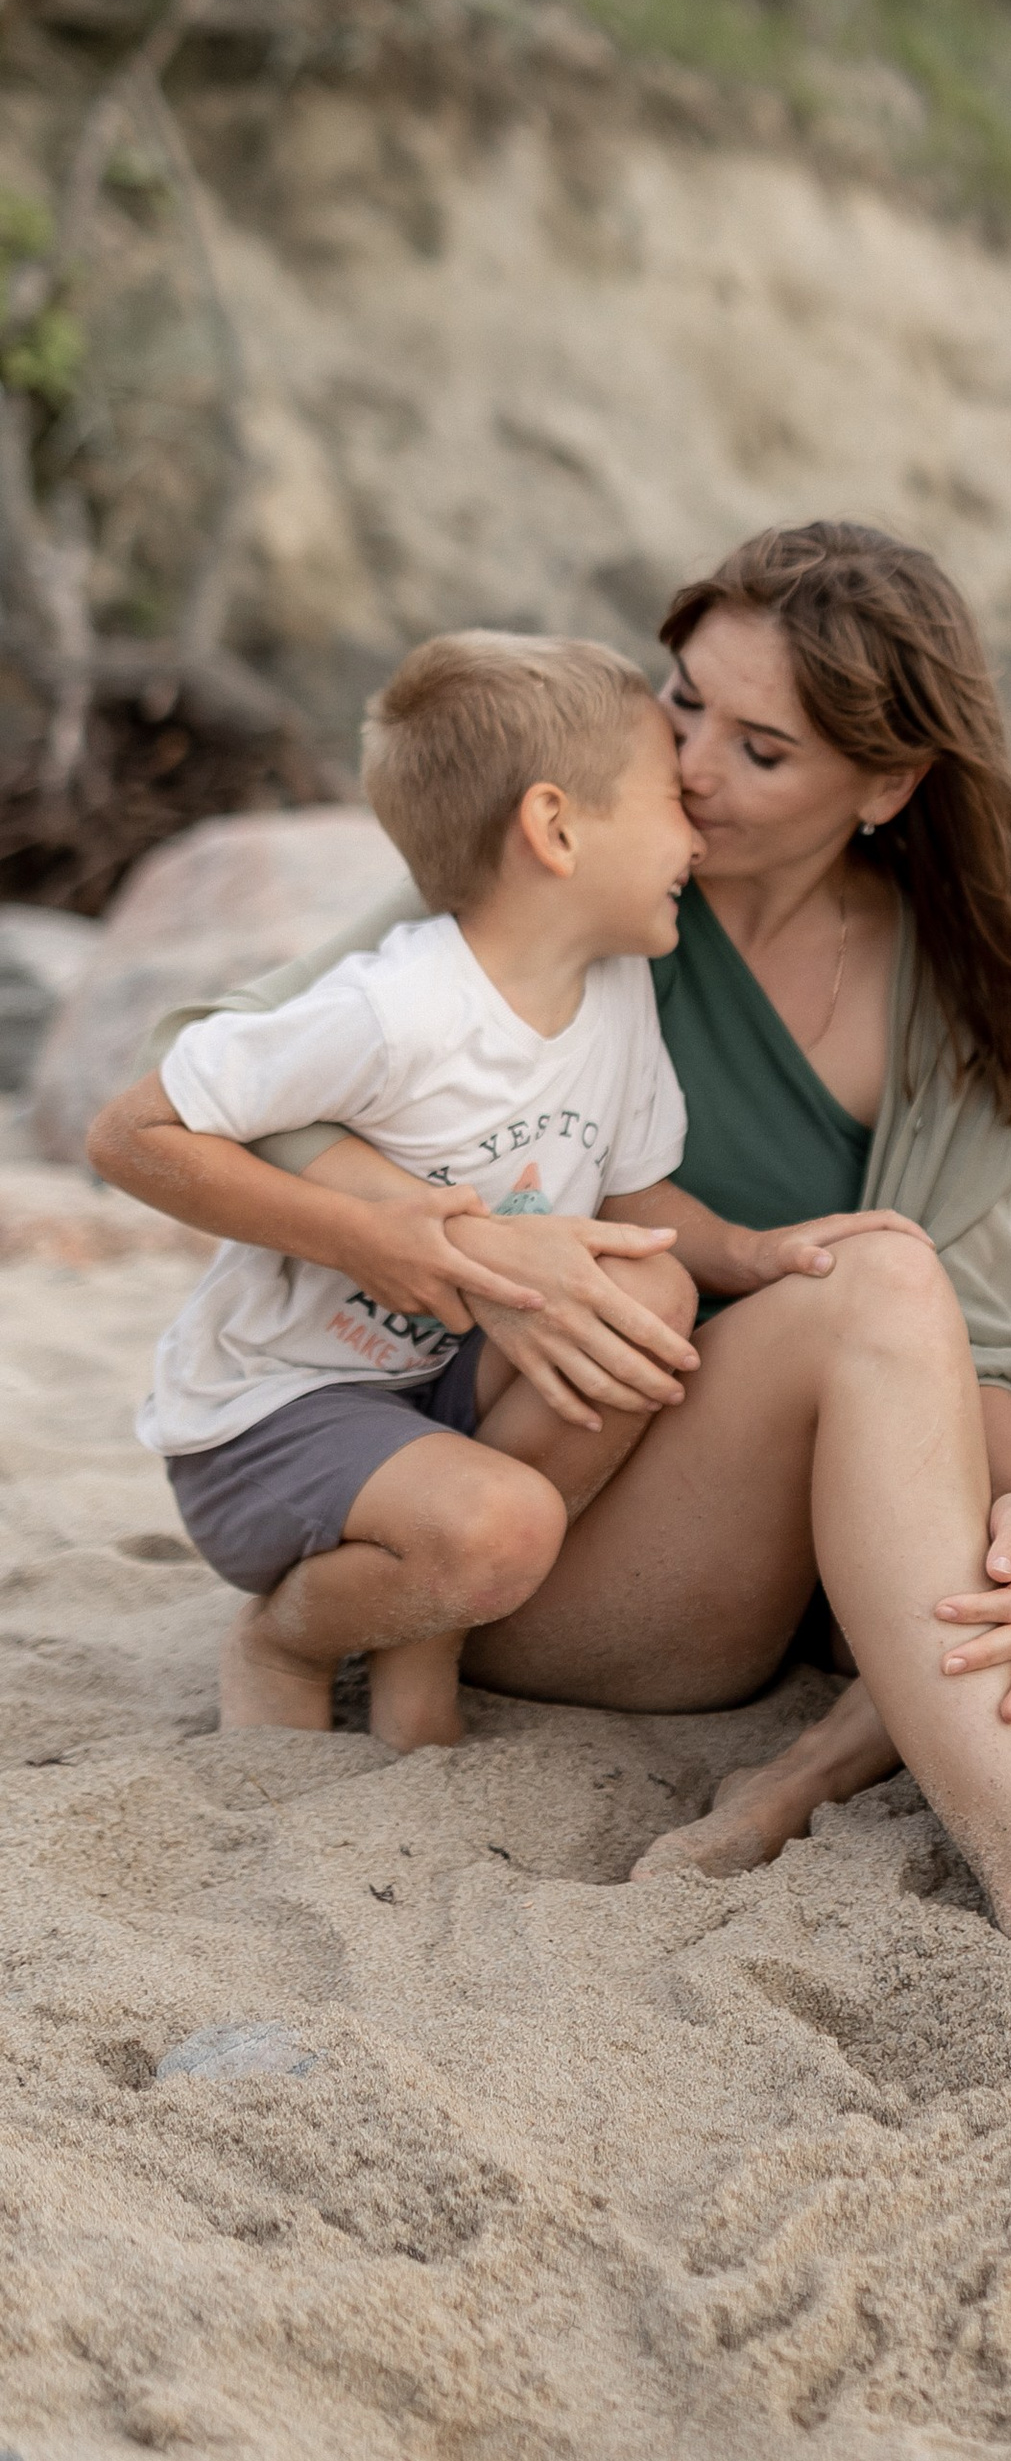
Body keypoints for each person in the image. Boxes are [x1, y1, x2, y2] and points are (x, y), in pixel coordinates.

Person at [101, 522, 1011, 1983]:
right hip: (568, 1526)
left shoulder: (959, 990)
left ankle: (826, 1761)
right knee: (860, 1269)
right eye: (682, 703)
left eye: (762, 749)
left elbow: (973, 1342)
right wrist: (474, 1244)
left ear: (891, 785)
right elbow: (197, 1072)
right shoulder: (565, 870)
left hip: (854, 1523)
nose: (691, 765)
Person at [101, 634, 701, 1752]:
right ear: (556, 827)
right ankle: (289, 1638)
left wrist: (773, 1259)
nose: (698, 830)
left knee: (650, 1298)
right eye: (673, 797)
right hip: (271, 1418)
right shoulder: (395, 1008)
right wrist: (365, 1231)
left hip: (437, 1389)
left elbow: (638, 1209)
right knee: (507, 1528)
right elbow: (128, 1135)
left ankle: (427, 1625)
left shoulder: (618, 996)